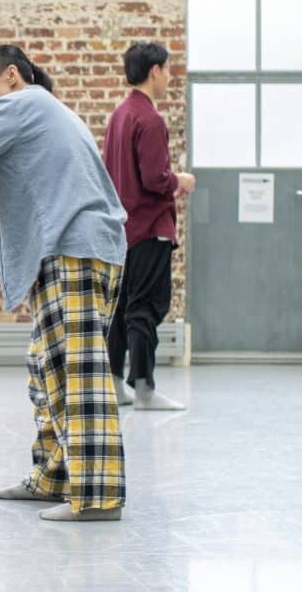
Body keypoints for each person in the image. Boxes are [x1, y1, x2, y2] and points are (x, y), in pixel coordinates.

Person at [0, 44, 128, 522]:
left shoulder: (25, 102)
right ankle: (54, 477)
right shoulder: (46, 114)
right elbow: (45, 185)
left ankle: (97, 497)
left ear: (10, 75)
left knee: (78, 374)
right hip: (78, 249)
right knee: (47, 367)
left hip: (75, 250)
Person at [103, 42, 194, 411]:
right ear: (155, 70)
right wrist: (180, 181)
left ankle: (115, 384)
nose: (170, 77)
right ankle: (144, 389)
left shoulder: (119, 116)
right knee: (146, 307)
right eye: (168, 70)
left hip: (122, 229)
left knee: (122, 307)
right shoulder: (150, 120)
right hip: (149, 226)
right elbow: (156, 178)